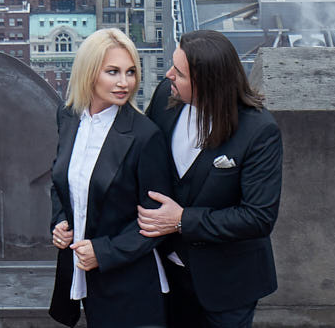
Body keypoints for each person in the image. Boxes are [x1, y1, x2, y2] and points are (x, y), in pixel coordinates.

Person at [138, 30, 283, 328]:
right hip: (166, 277)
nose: (168, 76)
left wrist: (182, 220)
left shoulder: (259, 131)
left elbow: (258, 217)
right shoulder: (166, 96)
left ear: (205, 83)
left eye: (178, 73)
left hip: (229, 285)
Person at [50, 27, 174, 328]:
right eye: (113, 72)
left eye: (130, 72)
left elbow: (157, 223)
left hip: (131, 291)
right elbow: (61, 181)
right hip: (83, 281)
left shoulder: (145, 136)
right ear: (89, 73)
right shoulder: (68, 117)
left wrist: (103, 253)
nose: (124, 83)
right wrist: (59, 222)